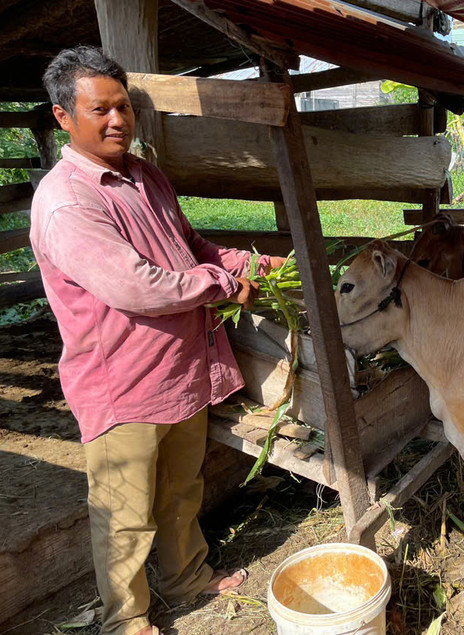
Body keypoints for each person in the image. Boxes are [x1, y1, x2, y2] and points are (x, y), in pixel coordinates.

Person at [30, 46, 286, 635]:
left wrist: (252, 263)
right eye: (100, 110)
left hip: (178, 371)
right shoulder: (69, 201)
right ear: (63, 116)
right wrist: (224, 283)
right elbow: (137, 287)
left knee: (180, 489)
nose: (117, 120)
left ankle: (186, 577)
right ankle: (128, 620)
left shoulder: (146, 176)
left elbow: (189, 247)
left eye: (124, 107)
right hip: (122, 385)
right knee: (123, 515)